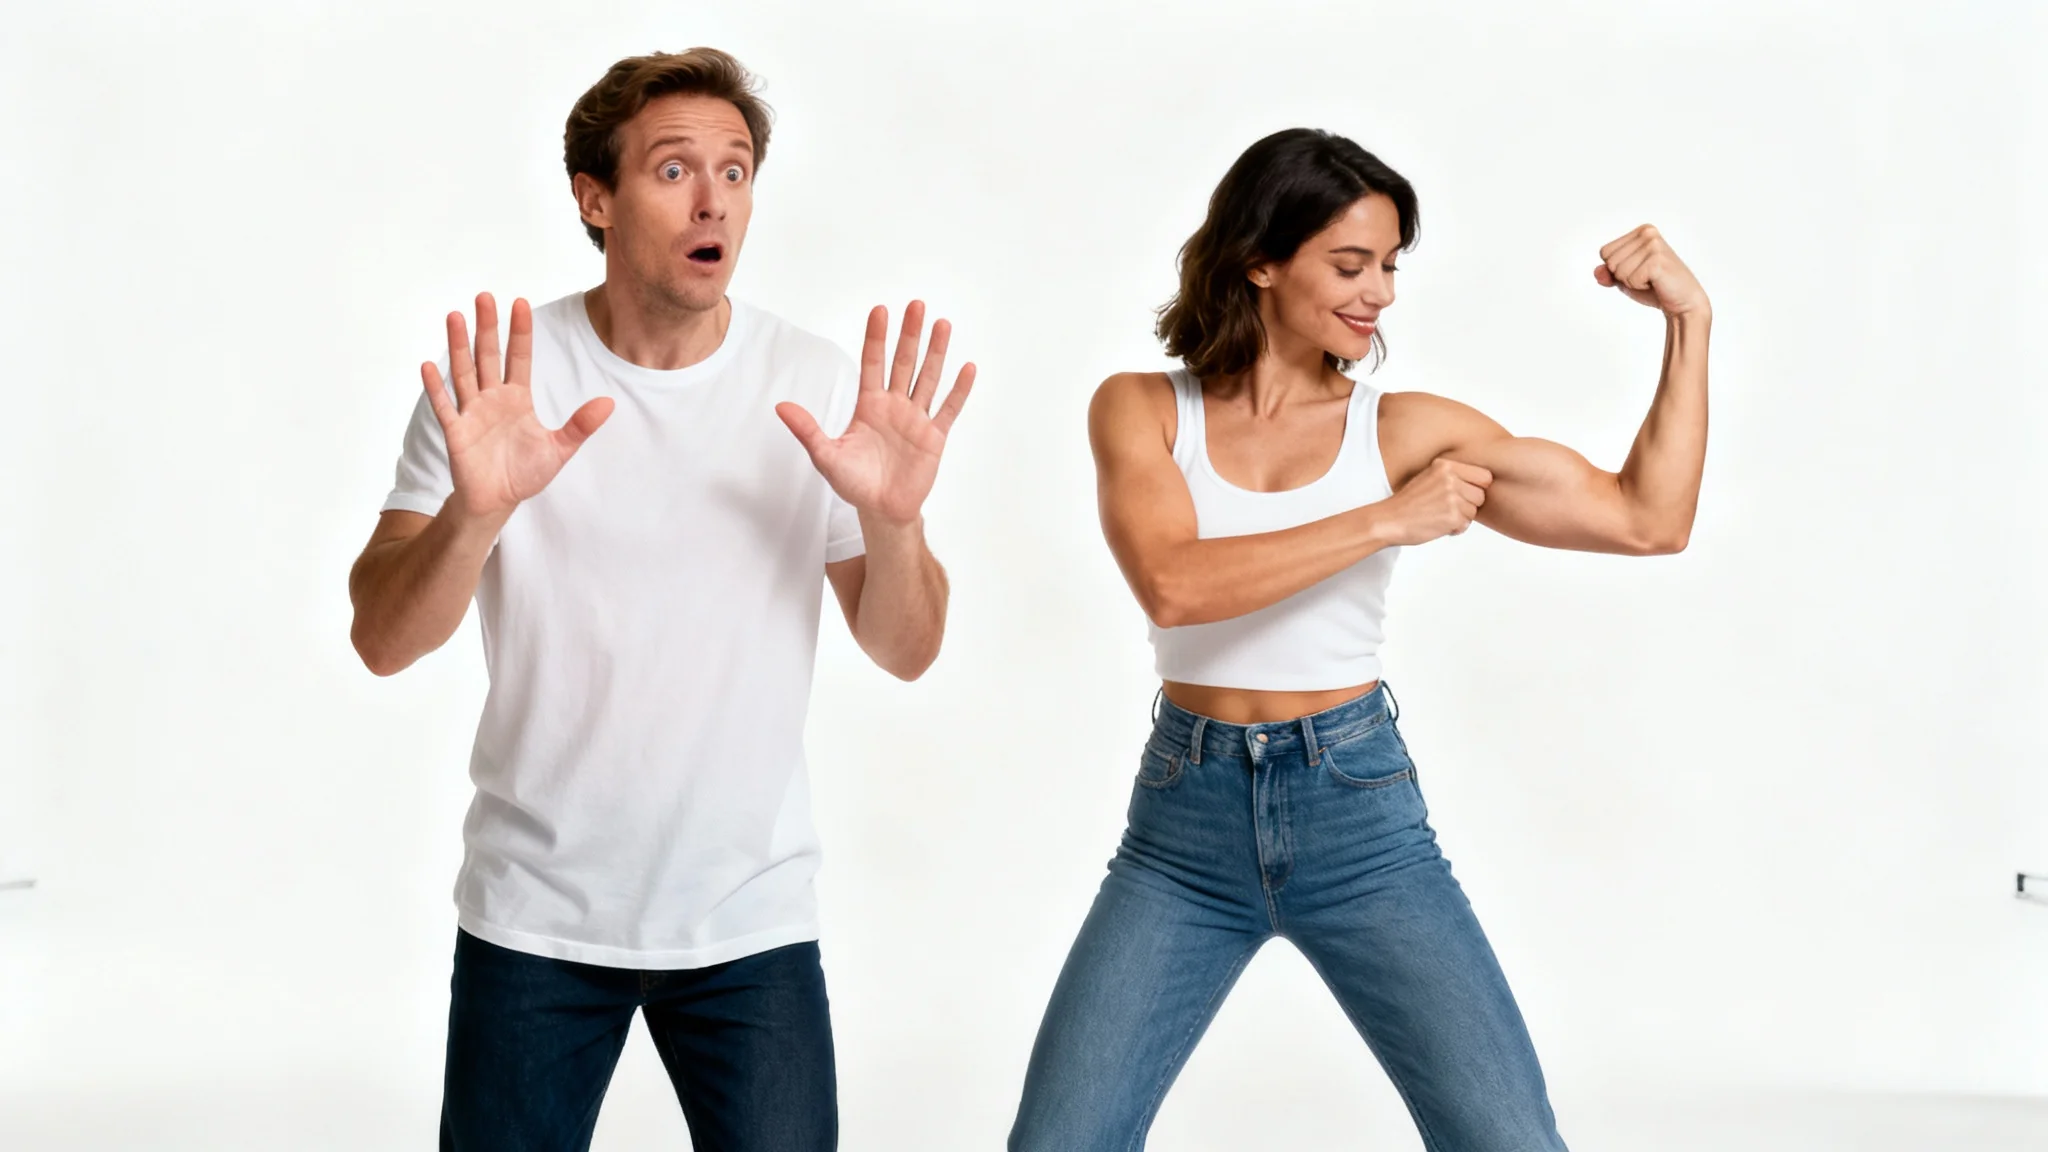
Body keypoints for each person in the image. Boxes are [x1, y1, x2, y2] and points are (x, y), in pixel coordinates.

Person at [1009, 128, 1709, 1151]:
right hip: (1182, 833)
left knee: (1507, 1140)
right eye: (1348, 264)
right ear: (1258, 258)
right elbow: (1171, 584)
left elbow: (1647, 519)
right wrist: (1385, 519)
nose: (1377, 292)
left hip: (1356, 817)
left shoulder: (1407, 429)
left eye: (1387, 265)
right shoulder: (1143, 409)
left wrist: (1686, 324)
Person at [345, 48, 974, 1152]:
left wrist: (894, 517)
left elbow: (907, 648)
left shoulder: (815, 384)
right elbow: (384, 637)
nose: (712, 199)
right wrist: (477, 511)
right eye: (674, 168)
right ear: (596, 198)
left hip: (750, 922)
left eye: (734, 173)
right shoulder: (502, 381)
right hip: (534, 917)